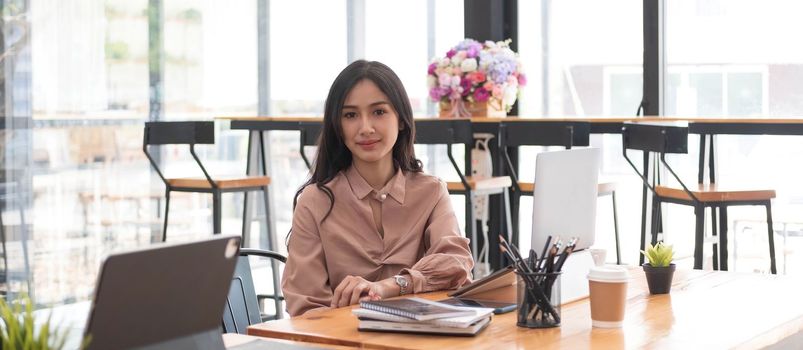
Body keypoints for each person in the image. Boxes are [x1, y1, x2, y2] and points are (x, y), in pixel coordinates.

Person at [281, 60, 474, 316]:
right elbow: (305, 307)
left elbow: (456, 264)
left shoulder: (432, 192)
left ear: (401, 119)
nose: (365, 128)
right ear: (338, 127)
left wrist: (391, 286)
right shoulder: (314, 201)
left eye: (379, 112)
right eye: (350, 115)